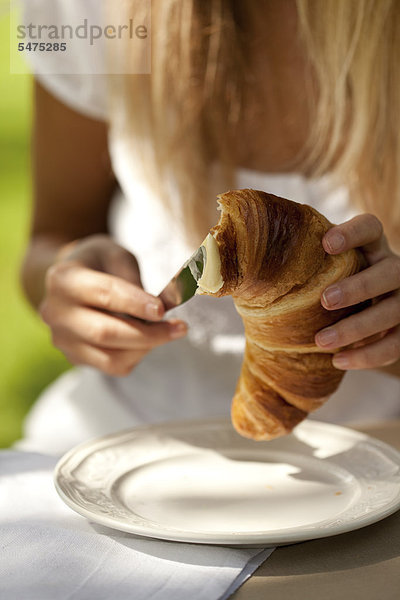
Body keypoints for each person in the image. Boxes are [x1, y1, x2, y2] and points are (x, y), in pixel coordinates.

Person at [18, 0, 400, 455]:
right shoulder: (80, 9)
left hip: (372, 449)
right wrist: (67, 284)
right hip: (121, 434)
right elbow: (49, 240)